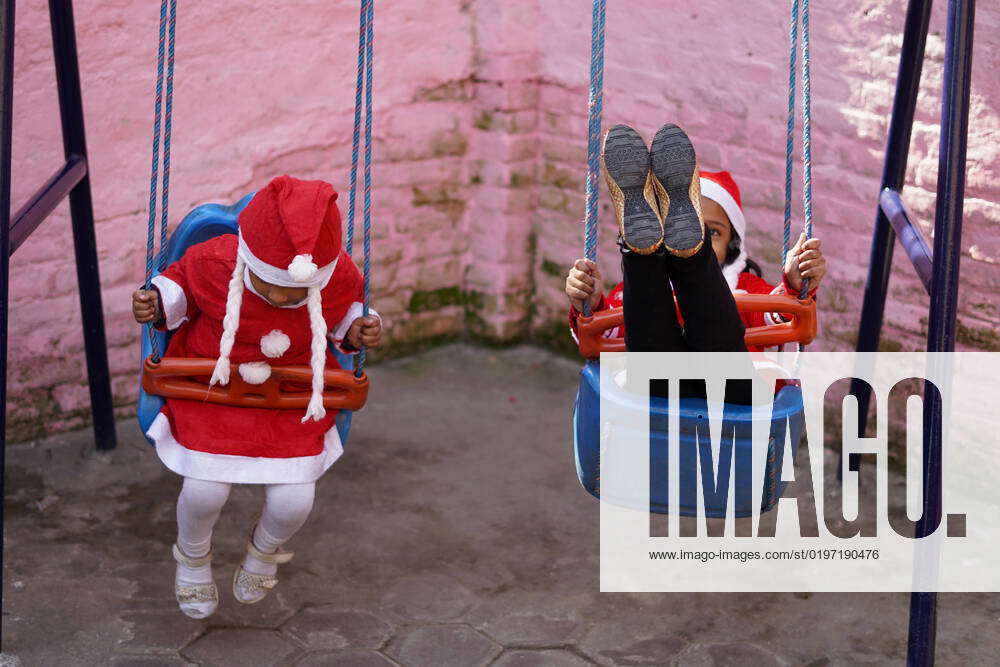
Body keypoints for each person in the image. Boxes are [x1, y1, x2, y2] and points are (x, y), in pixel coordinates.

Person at [132, 175, 382, 619]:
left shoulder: (336, 275)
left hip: (290, 400)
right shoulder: (214, 260)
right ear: (249, 259)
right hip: (213, 391)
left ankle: (264, 551)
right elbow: (178, 287)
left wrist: (358, 327)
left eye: (294, 293)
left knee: (294, 501)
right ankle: (191, 557)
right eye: (269, 287)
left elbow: (346, 313)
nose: (281, 298)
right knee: (205, 489)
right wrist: (157, 300)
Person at [565, 123, 826, 402]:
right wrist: (590, 305)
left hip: (732, 401)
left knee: (713, 325)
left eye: (712, 232)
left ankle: (649, 253)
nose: (705, 236)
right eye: (684, 227)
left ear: (733, 244)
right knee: (647, 316)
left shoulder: (747, 286)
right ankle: (643, 251)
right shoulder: (636, 295)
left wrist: (794, 286)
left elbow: (776, 316)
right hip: (660, 397)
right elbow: (602, 338)